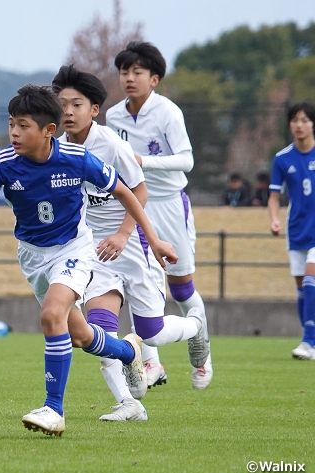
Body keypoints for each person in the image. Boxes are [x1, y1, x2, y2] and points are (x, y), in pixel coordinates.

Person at [0, 84, 178, 436]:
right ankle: (128, 352)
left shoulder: (77, 159)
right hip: (32, 256)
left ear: (49, 131)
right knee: (79, 335)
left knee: (52, 315)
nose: (14, 133)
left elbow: (127, 192)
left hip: (74, 250)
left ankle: (53, 408)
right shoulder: (4, 163)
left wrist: (152, 240)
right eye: (11, 124)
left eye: (23, 126)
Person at [52, 65, 209, 421]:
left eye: (77, 104)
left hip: (133, 244)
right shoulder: (57, 150)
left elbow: (139, 190)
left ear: (94, 110)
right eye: (62, 105)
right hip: (94, 252)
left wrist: (127, 235)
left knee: (151, 332)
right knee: (100, 332)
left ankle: (196, 326)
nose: (68, 112)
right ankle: (129, 404)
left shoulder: (111, 145)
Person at [106, 42, 213, 390]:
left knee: (181, 288)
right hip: (135, 205)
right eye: (124, 72)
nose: (129, 78)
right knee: (142, 287)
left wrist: (143, 162)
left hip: (168, 202)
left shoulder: (168, 112)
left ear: (154, 79)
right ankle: (152, 364)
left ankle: (202, 347)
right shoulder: (113, 116)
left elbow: (187, 160)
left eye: (137, 72)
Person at [269, 101, 315, 360]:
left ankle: (309, 342)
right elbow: (274, 196)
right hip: (297, 229)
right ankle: (309, 338)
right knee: (302, 288)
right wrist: (274, 219)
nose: (300, 125)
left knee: (311, 281)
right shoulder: (282, 158)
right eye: (295, 120)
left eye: (305, 120)